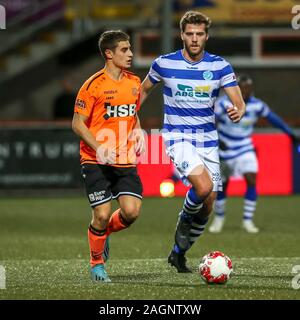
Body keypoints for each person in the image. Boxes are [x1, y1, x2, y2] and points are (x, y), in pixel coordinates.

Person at [141, 11, 245, 273]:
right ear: (182, 35)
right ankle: (185, 219)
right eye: (190, 34)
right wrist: (130, 121)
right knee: (203, 186)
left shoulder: (220, 66)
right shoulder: (164, 64)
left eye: (199, 34)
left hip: (208, 140)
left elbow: (238, 101)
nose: (195, 38)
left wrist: (238, 110)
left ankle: (178, 253)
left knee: (209, 201)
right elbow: (142, 90)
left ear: (206, 36)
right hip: (178, 137)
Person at [72, 30, 145, 282]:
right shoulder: (93, 85)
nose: (131, 54)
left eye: (130, 49)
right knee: (101, 215)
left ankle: (103, 234)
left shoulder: (134, 82)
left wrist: (138, 130)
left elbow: (130, 113)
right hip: (95, 159)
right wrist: (99, 147)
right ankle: (97, 264)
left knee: (131, 213)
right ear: (109, 53)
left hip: (125, 159)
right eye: (125, 50)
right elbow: (77, 124)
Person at [209, 74, 299, 234]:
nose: (245, 91)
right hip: (225, 148)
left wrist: (290, 133)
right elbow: (210, 121)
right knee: (223, 185)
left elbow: (274, 119)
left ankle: (247, 220)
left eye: (248, 88)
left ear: (252, 89)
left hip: (244, 147)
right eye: (242, 88)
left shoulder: (257, 105)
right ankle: (219, 218)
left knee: (251, 178)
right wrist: (215, 138)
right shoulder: (223, 103)